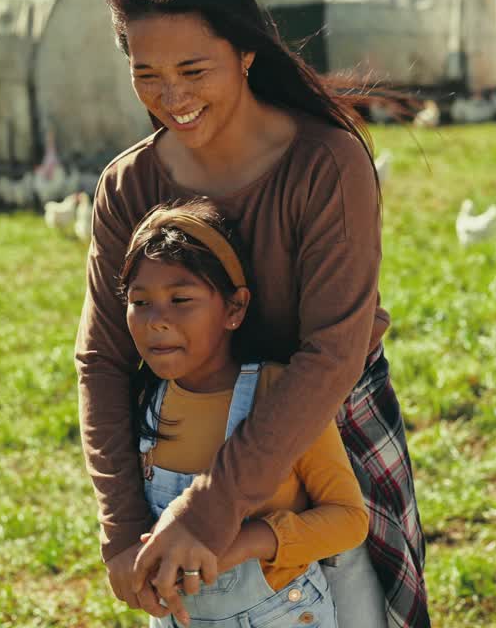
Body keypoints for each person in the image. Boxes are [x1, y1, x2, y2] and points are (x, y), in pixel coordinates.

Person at [75, 0, 429, 628]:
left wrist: (208, 511)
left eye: (193, 68)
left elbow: (330, 353)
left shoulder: (326, 163)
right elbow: (104, 358)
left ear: (245, 52)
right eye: (146, 73)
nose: (171, 96)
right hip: (187, 430)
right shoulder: (128, 183)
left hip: (325, 430)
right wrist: (121, 531)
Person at [119, 198, 367, 626]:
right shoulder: (146, 402)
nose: (156, 320)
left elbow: (348, 519)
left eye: (180, 299)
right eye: (140, 302)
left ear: (234, 308)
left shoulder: (280, 396)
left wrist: (246, 542)